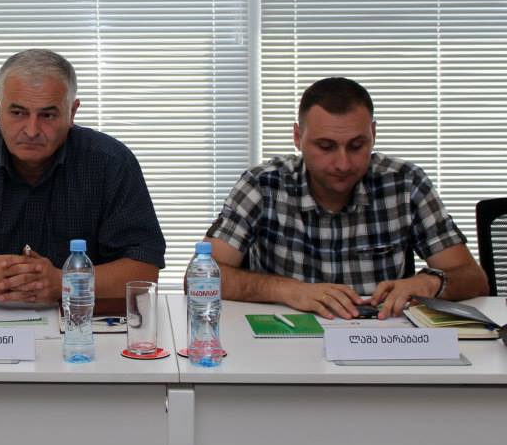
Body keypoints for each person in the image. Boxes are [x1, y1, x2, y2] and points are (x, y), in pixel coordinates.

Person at [199, 77, 488, 319]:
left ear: (373, 133)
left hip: (383, 341)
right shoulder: (263, 185)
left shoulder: (405, 182)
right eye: (325, 147)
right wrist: (288, 290)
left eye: (357, 146)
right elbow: (200, 278)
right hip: (287, 339)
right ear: (297, 137)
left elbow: (474, 278)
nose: (343, 164)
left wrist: (430, 283)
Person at [0, 49, 166, 303]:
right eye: (18, 113)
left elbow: (144, 271)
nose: (32, 130)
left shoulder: (111, 163)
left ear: (72, 112)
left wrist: (64, 282)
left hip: (81, 322)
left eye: (47, 115)